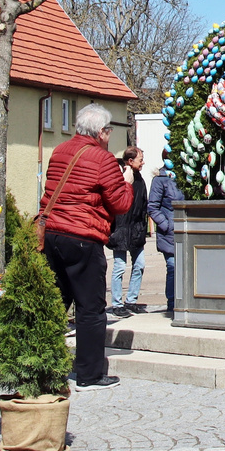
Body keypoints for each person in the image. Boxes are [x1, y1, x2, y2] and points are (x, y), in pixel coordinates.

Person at [38, 103, 132, 390]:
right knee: (90, 308)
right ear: (102, 133)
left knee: (55, 303)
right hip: (83, 236)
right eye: (109, 131)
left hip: (53, 233)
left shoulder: (59, 151)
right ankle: (89, 374)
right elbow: (121, 204)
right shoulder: (103, 160)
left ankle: (45, 365)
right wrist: (127, 182)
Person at [108, 147, 151, 317]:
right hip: (120, 230)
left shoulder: (139, 179)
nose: (143, 162)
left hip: (136, 231)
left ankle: (131, 301)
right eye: (140, 159)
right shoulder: (120, 178)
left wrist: (142, 227)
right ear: (130, 161)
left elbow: (143, 204)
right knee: (119, 267)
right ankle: (117, 304)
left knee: (139, 265)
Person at [145, 148, 181, 315]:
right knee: (173, 266)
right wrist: (166, 224)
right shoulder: (160, 179)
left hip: (184, 231)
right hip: (169, 233)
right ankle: (171, 303)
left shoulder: (184, 176)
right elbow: (152, 207)